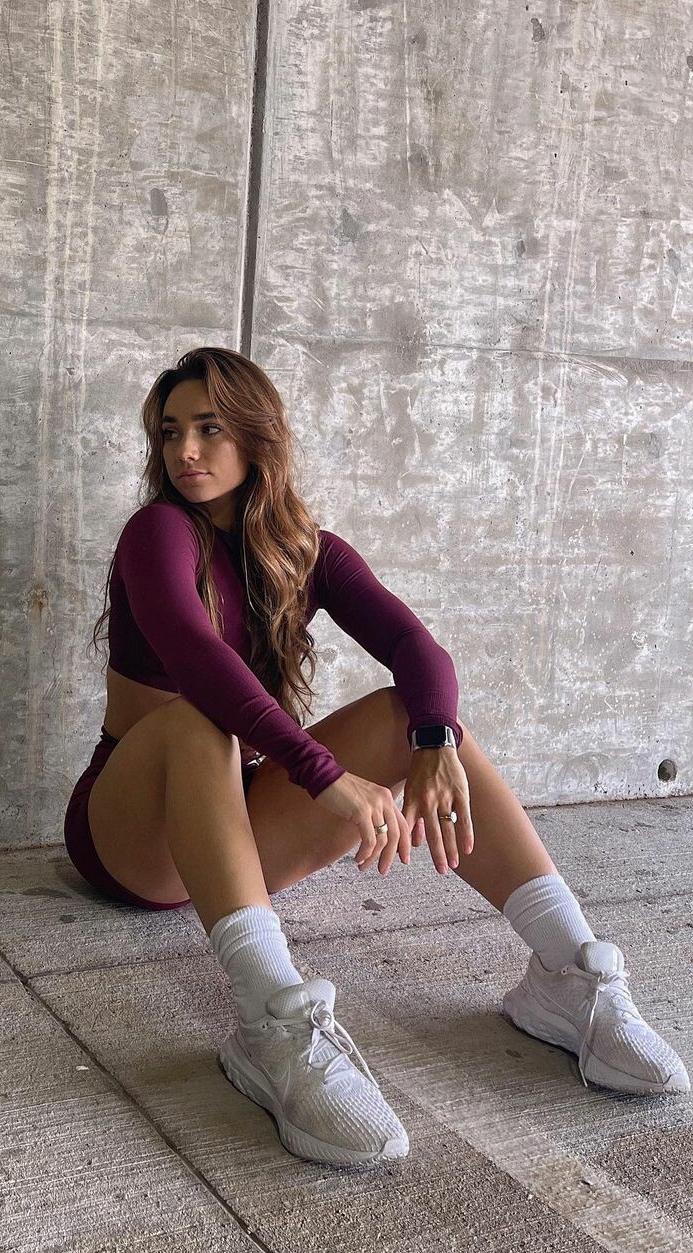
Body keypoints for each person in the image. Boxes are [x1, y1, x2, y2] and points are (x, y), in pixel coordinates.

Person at [64, 347, 689, 1168]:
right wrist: (324, 776)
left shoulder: (307, 551)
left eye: (210, 429)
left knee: (413, 715)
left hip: (225, 830)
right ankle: (269, 1025)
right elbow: (195, 658)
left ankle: (569, 974)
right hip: (130, 837)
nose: (185, 450)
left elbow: (414, 647)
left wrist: (431, 742)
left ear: (256, 436)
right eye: (171, 431)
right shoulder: (158, 532)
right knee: (195, 723)